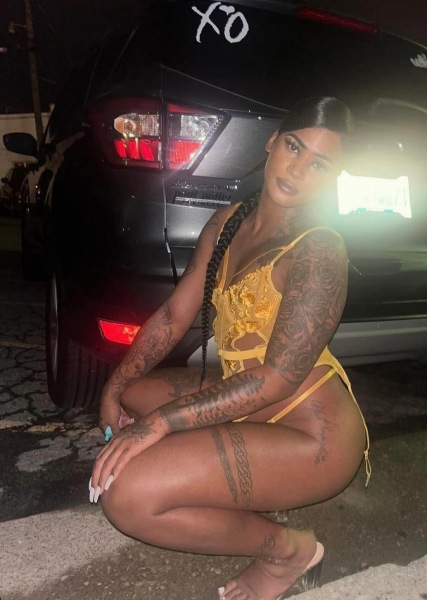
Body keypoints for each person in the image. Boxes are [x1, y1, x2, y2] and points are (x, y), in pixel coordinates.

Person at [90, 96, 371, 600]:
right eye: (294, 147)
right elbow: (175, 316)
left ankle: (289, 551)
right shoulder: (228, 223)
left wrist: (162, 425)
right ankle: (223, 481)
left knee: (126, 494)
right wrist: (114, 385)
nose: (297, 169)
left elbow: (277, 379)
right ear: (272, 143)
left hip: (314, 436)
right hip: (247, 401)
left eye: (319, 164)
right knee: (134, 394)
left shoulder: (318, 249)